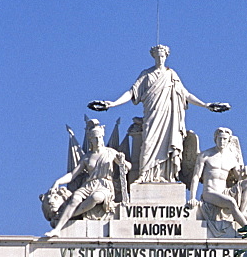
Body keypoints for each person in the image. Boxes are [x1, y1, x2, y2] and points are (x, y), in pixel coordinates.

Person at [90, 44, 229, 183]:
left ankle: (168, 176)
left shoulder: (171, 74)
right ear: (153, 56)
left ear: (166, 56)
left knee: (169, 144)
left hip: (169, 117)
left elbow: (185, 94)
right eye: (157, 56)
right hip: (152, 115)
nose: (160, 59)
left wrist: (206, 105)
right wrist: (112, 103)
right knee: (148, 143)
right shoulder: (146, 74)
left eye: (162, 56)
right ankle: (144, 175)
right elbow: (132, 93)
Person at [43, 119, 130, 237]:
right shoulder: (87, 157)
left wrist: (121, 162)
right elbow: (73, 174)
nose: (98, 140)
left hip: (105, 185)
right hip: (89, 185)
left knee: (96, 197)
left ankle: (71, 215)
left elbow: (127, 166)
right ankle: (57, 229)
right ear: (91, 140)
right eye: (95, 138)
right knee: (74, 199)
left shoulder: (110, 152)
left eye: (100, 137)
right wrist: (58, 182)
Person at [187, 127, 247, 228]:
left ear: (229, 141)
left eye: (224, 139)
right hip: (209, 193)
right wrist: (192, 198)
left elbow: (239, 177)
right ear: (215, 139)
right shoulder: (205, 155)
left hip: (224, 192)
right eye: (219, 138)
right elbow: (196, 177)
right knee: (230, 202)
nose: (222, 141)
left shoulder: (231, 158)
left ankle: (241, 213)